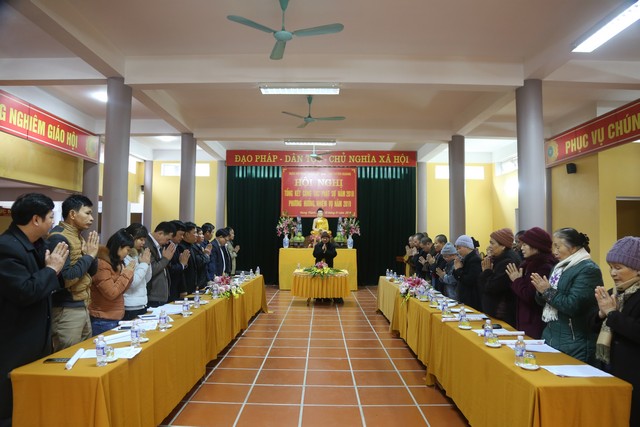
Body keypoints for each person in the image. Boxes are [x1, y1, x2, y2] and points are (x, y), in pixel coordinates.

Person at [0, 193, 69, 427]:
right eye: (50, 217)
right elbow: (26, 291)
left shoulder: (37, 245)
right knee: (12, 406)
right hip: (14, 342)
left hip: (36, 339)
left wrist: (55, 269)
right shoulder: (7, 247)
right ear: (36, 219)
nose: (53, 222)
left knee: (33, 403)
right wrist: (51, 270)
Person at [531, 228, 602, 363]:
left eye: (558, 247)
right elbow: (544, 302)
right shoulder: (558, 267)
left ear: (573, 248)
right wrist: (541, 292)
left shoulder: (588, 269)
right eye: (553, 246)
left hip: (575, 342)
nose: (554, 251)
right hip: (551, 335)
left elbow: (573, 305)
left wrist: (547, 291)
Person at [593, 236, 640, 426]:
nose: (612, 273)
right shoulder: (617, 291)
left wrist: (611, 313)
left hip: (633, 372)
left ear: (637, 269)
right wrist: (600, 314)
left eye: (618, 268)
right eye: (610, 267)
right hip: (611, 366)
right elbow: (592, 326)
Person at [48, 194, 99, 351]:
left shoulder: (78, 236)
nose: (91, 218)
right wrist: (89, 256)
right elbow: (67, 278)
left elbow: (91, 272)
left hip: (82, 304)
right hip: (66, 308)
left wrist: (92, 255)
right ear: (72, 214)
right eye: (87, 213)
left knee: (83, 355)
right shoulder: (59, 237)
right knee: (67, 357)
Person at [506, 227, 557, 339]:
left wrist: (516, 280)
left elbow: (530, 296)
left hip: (535, 322)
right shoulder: (527, 264)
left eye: (525, 245)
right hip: (525, 319)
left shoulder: (544, 267)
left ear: (536, 246)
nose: (521, 248)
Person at [89, 229, 136, 335]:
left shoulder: (118, 263)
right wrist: (127, 273)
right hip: (103, 320)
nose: (128, 254)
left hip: (115, 316)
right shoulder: (102, 264)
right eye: (127, 250)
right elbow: (111, 293)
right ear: (119, 246)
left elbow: (122, 290)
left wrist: (129, 273)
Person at [478, 228, 520, 327]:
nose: (489, 246)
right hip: (495, 312)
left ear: (503, 246)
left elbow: (492, 287)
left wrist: (486, 272)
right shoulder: (498, 259)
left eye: (492, 243)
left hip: (501, 314)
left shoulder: (508, 262)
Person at [123, 223, 152, 320]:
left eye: (144, 240)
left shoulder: (140, 254)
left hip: (142, 303)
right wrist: (144, 264)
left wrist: (147, 263)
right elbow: (132, 282)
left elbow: (147, 279)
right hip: (129, 304)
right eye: (140, 239)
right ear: (131, 237)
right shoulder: (125, 256)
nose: (143, 243)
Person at [145, 221, 177, 307]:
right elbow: (151, 270)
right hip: (152, 296)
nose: (167, 242)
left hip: (160, 295)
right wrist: (166, 259)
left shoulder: (159, 246)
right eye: (168, 239)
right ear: (160, 233)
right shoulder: (146, 245)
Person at [179, 222, 210, 294]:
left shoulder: (192, 246)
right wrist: (183, 289)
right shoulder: (181, 247)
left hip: (194, 285)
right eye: (195, 233)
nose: (197, 235)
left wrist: (197, 284)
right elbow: (182, 271)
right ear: (187, 234)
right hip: (185, 287)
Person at [453, 235, 482, 310]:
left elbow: (470, 280)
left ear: (467, 247)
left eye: (459, 248)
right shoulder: (465, 259)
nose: (458, 251)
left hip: (471, 297)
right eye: (457, 249)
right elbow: (457, 277)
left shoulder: (475, 260)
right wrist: (456, 269)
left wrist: (458, 270)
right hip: (464, 296)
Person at [167, 220, 190, 301]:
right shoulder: (167, 247)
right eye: (181, 234)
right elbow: (169, 269)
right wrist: (182, 264)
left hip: (176, 288)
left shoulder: (176, 247)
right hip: (169, 288)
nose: (182, 237)